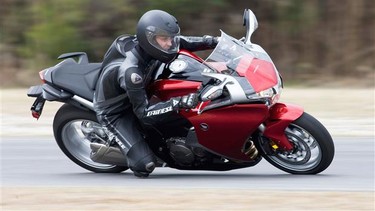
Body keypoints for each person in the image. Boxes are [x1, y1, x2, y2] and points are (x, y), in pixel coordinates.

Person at [93, 10, 218, 178]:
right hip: (117, 111)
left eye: (170, 38)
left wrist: (214, 41)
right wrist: (178, 102)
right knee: (144, 166)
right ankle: (118, 142)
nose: (169, 44)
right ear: (149, 39)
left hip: (142, 89)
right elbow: (143, 114)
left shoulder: (152, 47)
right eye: (164, 39)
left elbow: (181, 41)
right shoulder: (132, 72)